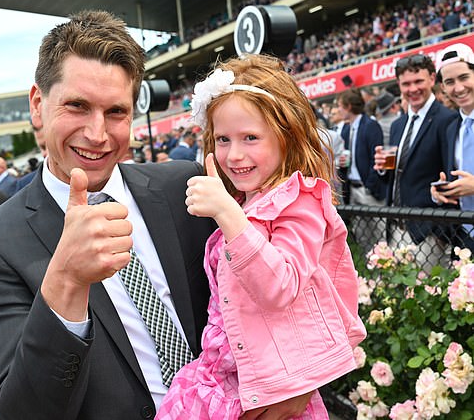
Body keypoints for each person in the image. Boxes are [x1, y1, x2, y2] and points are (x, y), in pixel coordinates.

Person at [0, 10, 312, 420]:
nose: (97, 133)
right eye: (77, 106)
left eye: (116, 112)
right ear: (38, 105)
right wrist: (66, 280)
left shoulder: (188, 185)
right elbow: (19, 412)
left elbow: (287, 280)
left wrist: (300, 381)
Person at [156, 54, 366, 420]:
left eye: (250, 137)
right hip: (223, 375)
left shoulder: (299, 201)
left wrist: (227, 213)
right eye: (223, 139)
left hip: (268, 388)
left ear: (286, 137)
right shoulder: (244, 200)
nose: (234, 155)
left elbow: (280, 285)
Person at [373, 53, 457, 269]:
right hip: (395, 227)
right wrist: (383, 168)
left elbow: (449, 174)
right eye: (406, 84)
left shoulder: (447, 120)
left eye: (418, 81)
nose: (413, 89)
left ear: (431, 79)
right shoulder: (398, 125)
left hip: (427, 232)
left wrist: (437, 231)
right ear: (399, 85)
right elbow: (395, 176)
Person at [432, 43, 474, 250]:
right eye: (450, 82)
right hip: (464, 237)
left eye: (464, 77)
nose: (458, 88)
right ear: (443, 88)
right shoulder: (451, 128)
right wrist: (441, 191)